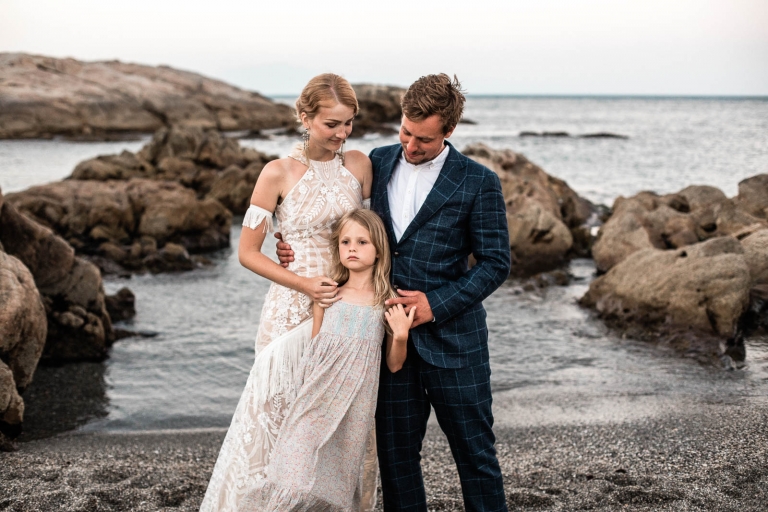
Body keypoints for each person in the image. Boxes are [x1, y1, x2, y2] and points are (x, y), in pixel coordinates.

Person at [277, 74, 511, 511]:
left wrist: (433, 306)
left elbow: (496, 264)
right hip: (383, 344)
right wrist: (287, 241)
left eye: (423, 138)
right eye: (405, 130)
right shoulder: (376, 163)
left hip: (456, 343)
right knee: (397, 460)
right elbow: (333, 220)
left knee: (475, 457)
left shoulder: (478, 181)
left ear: (449, 132)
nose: (410, 144)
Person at [200, 73, 376, 512]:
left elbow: (371, 235)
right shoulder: (276, 173)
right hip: (291, 306)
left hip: (345, 306)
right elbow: (246, 252)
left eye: (348, 124)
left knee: (336, 422)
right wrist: (300, 281)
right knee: (277, 421)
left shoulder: (359, 166)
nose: (341, 134)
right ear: (304, 117)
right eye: (331, 124)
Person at [239, 209, 415, 510]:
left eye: (362, 242)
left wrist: (400, 336)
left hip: (355, 404)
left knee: (338, 474)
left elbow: (394, 364)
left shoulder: (386, 301)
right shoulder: (328, 294)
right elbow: (315, 349)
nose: (352, 249)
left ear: (378, 250)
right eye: (345, 242)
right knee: (295, 462)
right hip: (315, 396)